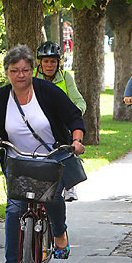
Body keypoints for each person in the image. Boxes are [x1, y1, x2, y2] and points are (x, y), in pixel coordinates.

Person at [0, 44, 85, 263]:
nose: (21, 75)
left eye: (25, 70)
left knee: (52, 198)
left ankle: (59, 233)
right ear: (7, 73)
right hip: (17, 160)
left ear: (32, 70)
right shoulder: (1, 97)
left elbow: (73, 116)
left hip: (50, 156)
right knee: (13, 209)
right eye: (15, 70)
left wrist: (77, 139)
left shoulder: (47, 90)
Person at [35, 41, 86, 201]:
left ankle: (70, 185)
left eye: (53, 61)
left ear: (58, 63)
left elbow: (79, 101)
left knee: (66, 147)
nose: (49, 65)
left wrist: (71, 115)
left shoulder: (65, 77)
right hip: (36, 124)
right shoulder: (31, 77)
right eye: (46, 61)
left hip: (60, 126)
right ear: (40, 63)